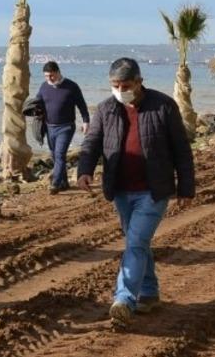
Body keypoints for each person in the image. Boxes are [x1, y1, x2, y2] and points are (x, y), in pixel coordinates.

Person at [77, 57, 195, 326]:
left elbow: (181, 149)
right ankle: (149, 293)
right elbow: (92, 142)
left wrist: (186, 188)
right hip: (120, 190)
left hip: (153, 191)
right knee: (138, 243)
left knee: (136, 242)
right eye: (115, 85)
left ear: (139, 82)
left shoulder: (163, 105)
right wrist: (84, 170)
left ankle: (124, 299)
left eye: (126, 85)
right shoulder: (106, 108)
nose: (120, 90)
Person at [36, 61, 90, 194]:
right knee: (55, 156)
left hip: (66, 127)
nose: (49, 78)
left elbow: (82, 105)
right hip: (49, 127)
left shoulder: (71, 86)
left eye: (51, 75)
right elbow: (37, 103)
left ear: (58, 72)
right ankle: (64, 183)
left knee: (60, 154)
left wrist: (86, 121)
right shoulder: (44, 87)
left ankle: (55, 184)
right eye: (46, 76)